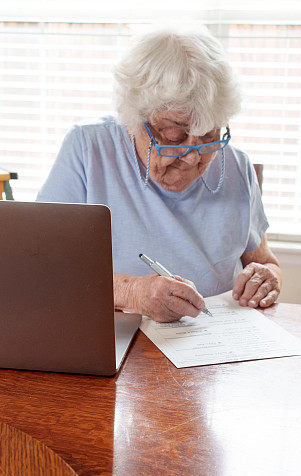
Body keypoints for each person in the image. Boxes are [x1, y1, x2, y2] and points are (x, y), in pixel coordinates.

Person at [37, 26, 282, 322]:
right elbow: (42, 266)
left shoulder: (238, 166)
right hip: (113, 339)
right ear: (133, 119)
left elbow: (265, 262)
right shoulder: (89, 149)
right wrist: (133, 293)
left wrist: (267, 278)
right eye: (174, 136)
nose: (193, 156)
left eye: (208, 135)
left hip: (212, 346)